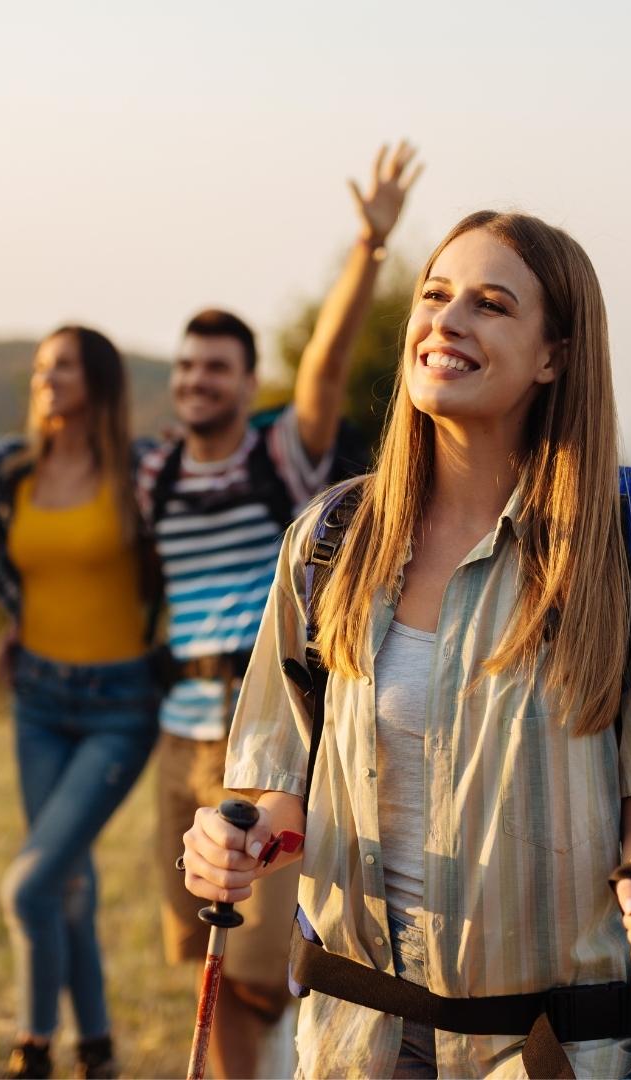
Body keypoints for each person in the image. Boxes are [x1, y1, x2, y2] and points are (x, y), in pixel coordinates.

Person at [180, 211, 631, 1079]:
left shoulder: (629, 562)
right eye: (435, 296)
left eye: (490, 305)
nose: (447, 321)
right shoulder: (329, 542)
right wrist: (234, 842)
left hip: (548, 1051)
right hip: (354, 1039)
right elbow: (276, 791)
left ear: (554, 355)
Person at [137, 141, 421, 1077]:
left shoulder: (281, 462)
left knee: (261, 976)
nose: (195, 383)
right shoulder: (158, 472)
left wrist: (368, 251)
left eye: (216, 369)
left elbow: (326, 375)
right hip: (176, 740)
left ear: (248, 378)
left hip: (260, 746)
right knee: (203, 963)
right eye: (184, 368)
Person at [0, 326, 158, 1080]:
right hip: (38, 700)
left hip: (121, 705)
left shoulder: (143, 473)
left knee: (31, 883)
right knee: (70, 885)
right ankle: (100, 1052)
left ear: (100, 383)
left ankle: (34, 1048)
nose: (45, 378)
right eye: (42, 366)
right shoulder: (13, 473)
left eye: (64, 367)